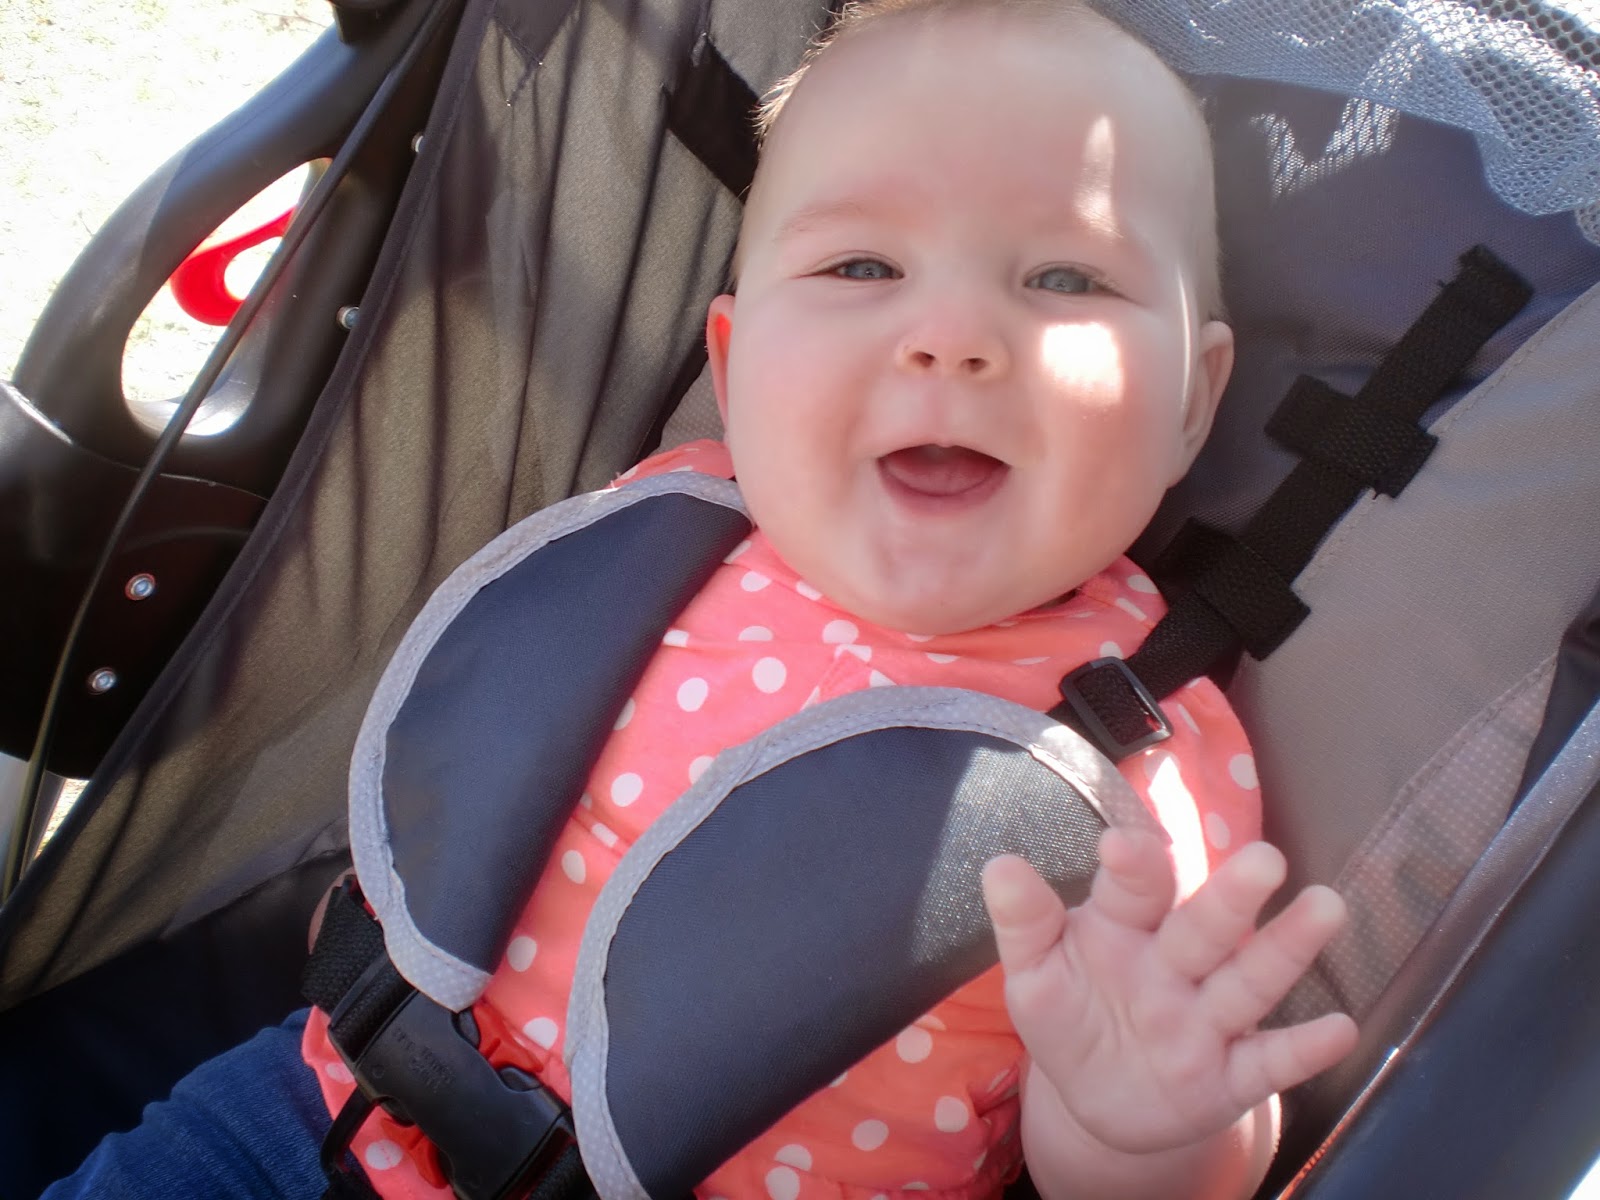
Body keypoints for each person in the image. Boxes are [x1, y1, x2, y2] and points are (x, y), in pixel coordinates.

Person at [45, 1, 1358, 1197]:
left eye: (1065, 279)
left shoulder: (1148, 758)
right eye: (860, 267)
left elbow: (1163, 1136)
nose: (951, 337)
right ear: (732, 366)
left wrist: (1143, 1123)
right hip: (308, 1107)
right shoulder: (675, 517)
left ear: (1191, 402)